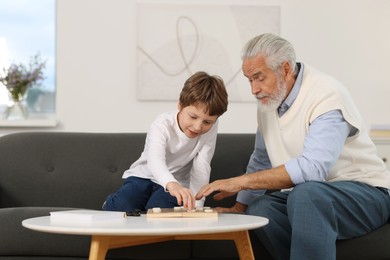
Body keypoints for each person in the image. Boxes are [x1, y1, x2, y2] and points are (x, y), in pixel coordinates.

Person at [195, 33, 390, 260]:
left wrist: (238, 182)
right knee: (260, 210)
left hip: (366, 194)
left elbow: (312, 170)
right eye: (249, 80)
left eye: (259, 77)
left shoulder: (326, 95)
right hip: (314, 198)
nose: (254, 89)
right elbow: (261, 160)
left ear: (285, 70)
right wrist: (240, 208)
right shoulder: (269, 103)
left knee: (306, 193)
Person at [103, 71, 228, 213]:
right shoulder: (162, 124)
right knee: (121, 206)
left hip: (179, 185)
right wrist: (171, 184)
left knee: (161, 212)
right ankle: (111, 202)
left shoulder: (210, 130)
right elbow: (155, 160)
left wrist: (196, 204)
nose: (198, 127)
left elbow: (201, 167)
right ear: (180, 105)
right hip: (145, 176)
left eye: (207, 122)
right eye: (193, 117)